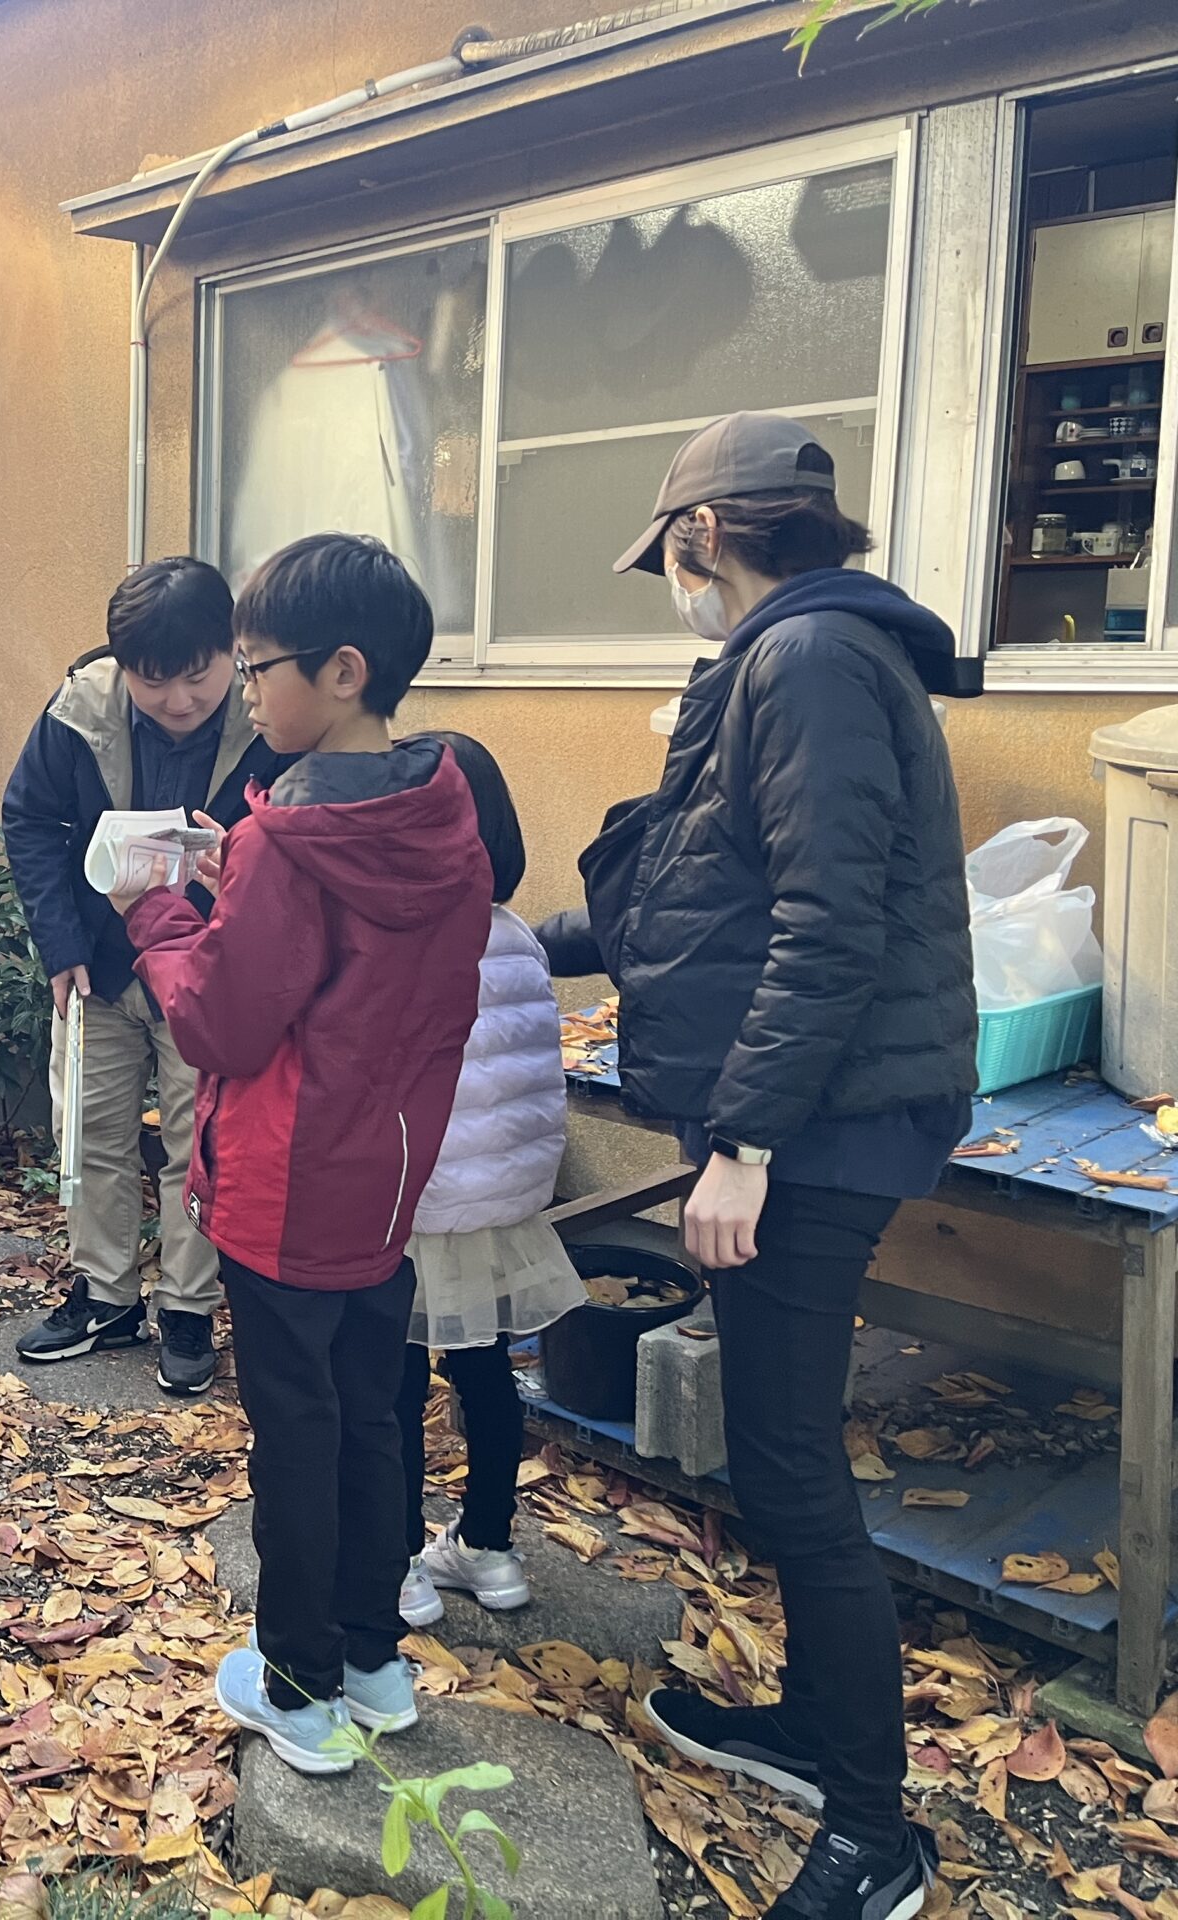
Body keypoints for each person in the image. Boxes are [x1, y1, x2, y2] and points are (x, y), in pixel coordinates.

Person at [548, 413, 972, 1920]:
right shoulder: (792, 659)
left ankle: (872, 1837)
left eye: (668, 555)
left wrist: (744, 1143)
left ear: (705, 535)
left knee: (791, 1465)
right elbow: (699, 888)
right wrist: (516, 945)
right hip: (806, 1115)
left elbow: (827, 926)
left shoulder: (806, 661)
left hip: (817, 1129)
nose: (672, 580)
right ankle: (809, 1730)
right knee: (777, 1454)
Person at [115, 533, 491, 1772]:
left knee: (296, 1439)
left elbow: (220, 1024)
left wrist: (158, 912)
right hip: (385, 1178)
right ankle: (374, 1662)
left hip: (283, 1185)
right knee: (373, 1421)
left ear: (341, 671)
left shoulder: (288, 840)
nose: (244, 690)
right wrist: (238, 882)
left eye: (254, 666)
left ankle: (299, 1687)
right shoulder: (442, 810)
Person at [0, 557, 292, 1395]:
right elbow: (30, 818)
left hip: (212, 969)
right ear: (121, 665)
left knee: (199, 1144)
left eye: (197, 676)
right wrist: (60, 945)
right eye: (152, 680)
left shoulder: (270, 716)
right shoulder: (80, 708)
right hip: (99, 962)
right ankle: (106, 1296)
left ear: (230, 653)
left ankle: (189, 1307)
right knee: (92, 1133)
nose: (178, 700)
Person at [390, 733, 583, 1630]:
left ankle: (398, 1563)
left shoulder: (401, 943)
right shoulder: (517, 937)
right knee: (487, 1374)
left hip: (414, 1206)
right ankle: (491, 1547)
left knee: (391, 1385)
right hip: (500, 1208)